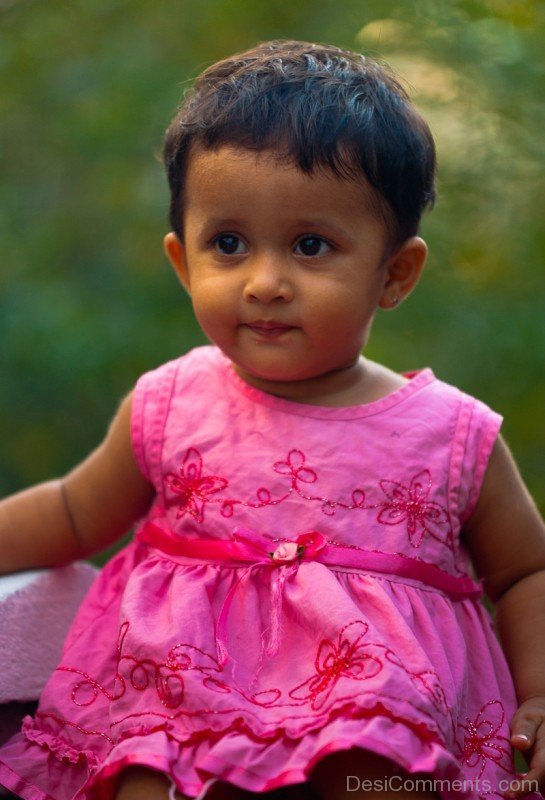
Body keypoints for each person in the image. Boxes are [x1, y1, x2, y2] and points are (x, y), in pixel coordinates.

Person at [0, 38, 544, 800]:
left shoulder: (448, 434)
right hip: (176, 714)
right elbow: (70, 512)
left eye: (309, 246)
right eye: (227, 244)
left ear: (394, 272)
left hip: (371, 735)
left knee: (370, 772)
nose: (264, 282)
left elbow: (524, 570)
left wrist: (538, 691)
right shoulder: (172, 402)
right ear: (183, 261)